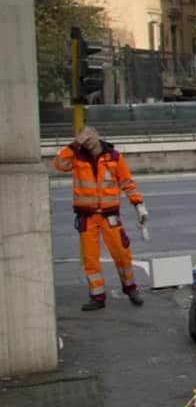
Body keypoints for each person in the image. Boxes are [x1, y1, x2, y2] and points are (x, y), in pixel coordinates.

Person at [52, 127, 149, 310]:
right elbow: (58, 164)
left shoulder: (113, 157)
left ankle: (130, 288)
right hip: (87, 216)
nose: (87, 139)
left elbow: (127, 183)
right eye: (83, 137)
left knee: (121, 253)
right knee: (90, 258)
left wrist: (138, 205)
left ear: (97, 135)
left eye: (89, 135)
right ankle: (97, 296)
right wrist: (75, 144)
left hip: (109, 215)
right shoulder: (76, 155)